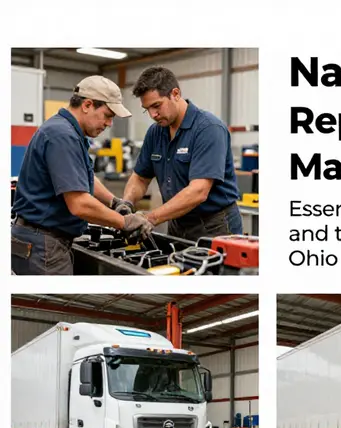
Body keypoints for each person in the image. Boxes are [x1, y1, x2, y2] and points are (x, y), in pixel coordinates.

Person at [11, 76, 154, 275]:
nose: (109, 124)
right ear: (87, 105)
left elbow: (82, 177)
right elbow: (80, 203)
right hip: (43, 246)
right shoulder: (62, 136)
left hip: (41, 240)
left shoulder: (67, 131)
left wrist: (114, 202)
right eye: (107, 115)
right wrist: (124, 222)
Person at [123, 66, 243, 241]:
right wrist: (126, 203)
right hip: (177, 222)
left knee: (214, 269)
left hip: (215, 226)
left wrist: (150, 218)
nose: (153, 114)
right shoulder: (155, 133)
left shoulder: (208, 129)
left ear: (176, 94)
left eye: (156, 106)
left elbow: (198, 191)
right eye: (146, 109)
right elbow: (140, 178)